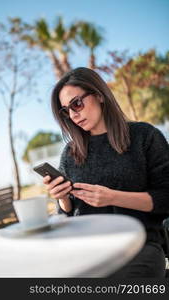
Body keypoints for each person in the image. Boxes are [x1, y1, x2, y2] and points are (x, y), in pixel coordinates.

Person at [43, 67, 169, 278]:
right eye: (66, 110)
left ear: (99, 95)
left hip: (139, 248)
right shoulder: (71, 153)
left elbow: (166, 198)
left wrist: (112, 197)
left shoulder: (144, 136)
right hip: (88, 251)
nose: (73, 114)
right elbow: (67, 215)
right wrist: (63, 199)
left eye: (77, 103)